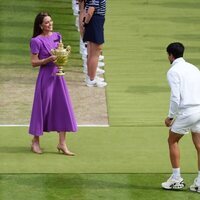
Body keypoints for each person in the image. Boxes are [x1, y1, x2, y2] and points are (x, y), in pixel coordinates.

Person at [29, 12, 78, 156]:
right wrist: (47, 60)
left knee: (62, 107)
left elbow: (60, 55)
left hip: (58, 77)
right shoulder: (36, 41)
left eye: (50, 21)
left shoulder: (58, 36)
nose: (50, 24)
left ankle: (62, 143)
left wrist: (60, 61)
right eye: (46, 22)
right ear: (40, 25)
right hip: (45, 77)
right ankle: (35, 141)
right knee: (42, 108)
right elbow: (33, 62)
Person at [161, 42, 200, 192]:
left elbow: (175, 97)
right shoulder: (193, 68)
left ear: (170, 55)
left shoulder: (173, 71)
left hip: (188, 112)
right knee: (199, 145)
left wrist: (170, 117)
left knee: (172, 140)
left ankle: (176, 179)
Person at [82, 0, 107, 87]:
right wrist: (86, 23)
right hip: (95, 21)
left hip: (95, 21)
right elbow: (90, 10)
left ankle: (91, 76)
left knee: (91, 52)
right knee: (95, 52)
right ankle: (91, 79)